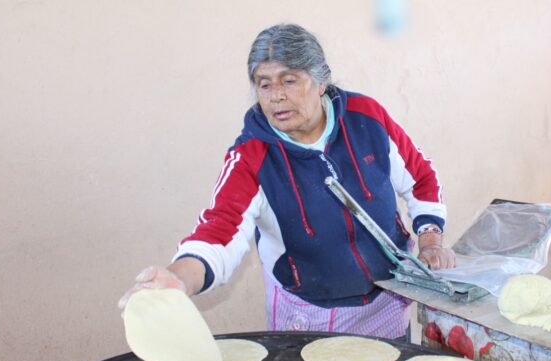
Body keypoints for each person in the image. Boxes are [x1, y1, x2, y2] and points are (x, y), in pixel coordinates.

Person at [119, 23, 455, 339]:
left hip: (387, 305)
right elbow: (219, 232)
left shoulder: (366, 118)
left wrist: (430, 240)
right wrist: (179, 278)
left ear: (321, 81)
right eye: (264, 84)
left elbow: (420, 178)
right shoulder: (252, 156)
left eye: (289, 80)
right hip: (310, 317)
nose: (275, 96)